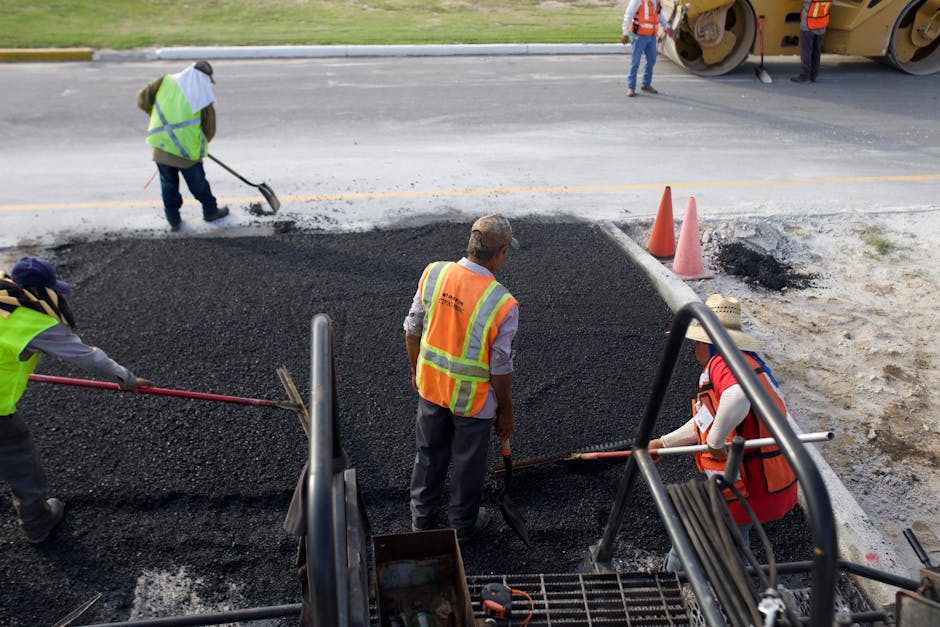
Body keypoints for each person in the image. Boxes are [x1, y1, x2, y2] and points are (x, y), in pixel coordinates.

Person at [0, 256, 153, 543]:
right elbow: (87, 356)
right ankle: (37, 522)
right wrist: (128, 380)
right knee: (18, 456)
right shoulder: (32, 321)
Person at [650, 294, 797, 571]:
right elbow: (705, 421)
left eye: (696, 342)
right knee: (731, 538)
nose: (693, 348)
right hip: (765, 480)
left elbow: (738, 397)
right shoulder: (747, 362)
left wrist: (716, 441)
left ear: (707, 342)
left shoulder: (723, 363)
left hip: (745, 482)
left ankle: (673, 583)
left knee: (690, 528)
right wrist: (664, 443)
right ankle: (736, 590)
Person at [404, 215, 520, 542]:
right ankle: (461, 525)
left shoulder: (434, 273)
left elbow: (413, 328)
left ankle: (421, 519)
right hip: (471, 402)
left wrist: (416, 370)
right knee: (468, 465)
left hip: (431, 387)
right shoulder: (501, 302)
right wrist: (506, 411)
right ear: (499, 254)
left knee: (428, 453)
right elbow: (500, 366)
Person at [137, 60, 229, 231]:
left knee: (168, 184)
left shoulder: (164, 81)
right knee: (198, 183)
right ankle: (210, 211)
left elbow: (142, 99)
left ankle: (173, 220)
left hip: (161, 145)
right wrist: (198, 144)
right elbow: (209, 129)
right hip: (186, 151)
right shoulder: (202, 96)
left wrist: (157, 116)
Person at [621, 0, 676, 98]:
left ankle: (646, 85)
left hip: (651, 36)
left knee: (651, 60)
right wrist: (625, 33)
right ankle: (631, 87)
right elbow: (628, 14)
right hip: (639, 36)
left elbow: (658, 16)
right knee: (635, 62)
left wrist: (667, 27)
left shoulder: (657, 1)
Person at [791, 0, 831, 83]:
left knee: (806, 52)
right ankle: (813, 75)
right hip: (821, 24)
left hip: (809, 24)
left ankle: (804, 76)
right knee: (816, 51)